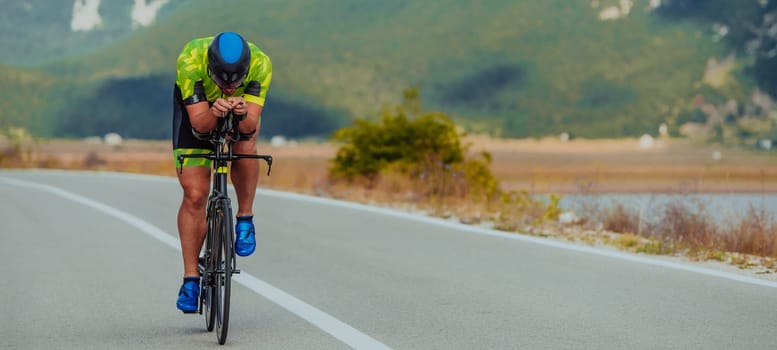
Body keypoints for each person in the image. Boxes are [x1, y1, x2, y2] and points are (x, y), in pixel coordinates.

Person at [172, 31, 272, 313]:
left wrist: (240, 114)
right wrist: (215, 112)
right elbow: (201, 126)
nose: (229, 88)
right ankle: (191, 278)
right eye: (221, 81)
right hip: (198, 114)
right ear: (210, 70)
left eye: (236, 82)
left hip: (239, 121)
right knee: (195, 194)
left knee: (246, 143)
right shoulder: (191, 59)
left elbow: (249, 127)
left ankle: (244, 218)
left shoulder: (261, 64)